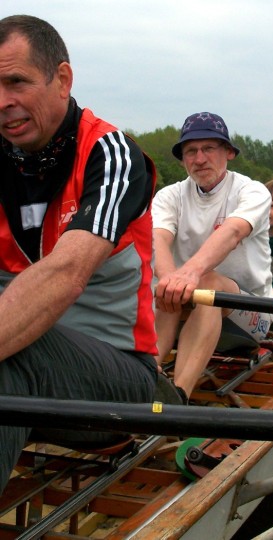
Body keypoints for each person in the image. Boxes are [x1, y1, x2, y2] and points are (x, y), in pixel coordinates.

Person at [0, 15, 158, 494]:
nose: (2, 103)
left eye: (16, 82)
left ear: (62, 79)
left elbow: (66, 275)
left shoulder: (112, 154)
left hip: (118, 385)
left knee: (15, 350)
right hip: (25, 371)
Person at [152, 112, 273, 398]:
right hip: (190, 302)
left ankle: (177, 394)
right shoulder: (169, 196)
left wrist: (188, 275)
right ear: (183, 159)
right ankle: (145, 375)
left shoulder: (253, 192)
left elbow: (231, 233)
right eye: (191, 151)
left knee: (204, 282)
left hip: (251, 314)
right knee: (165, 286)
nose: (199, 158)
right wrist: (171, 280)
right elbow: (157, 238)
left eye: (209, 148)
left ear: (228, 152)